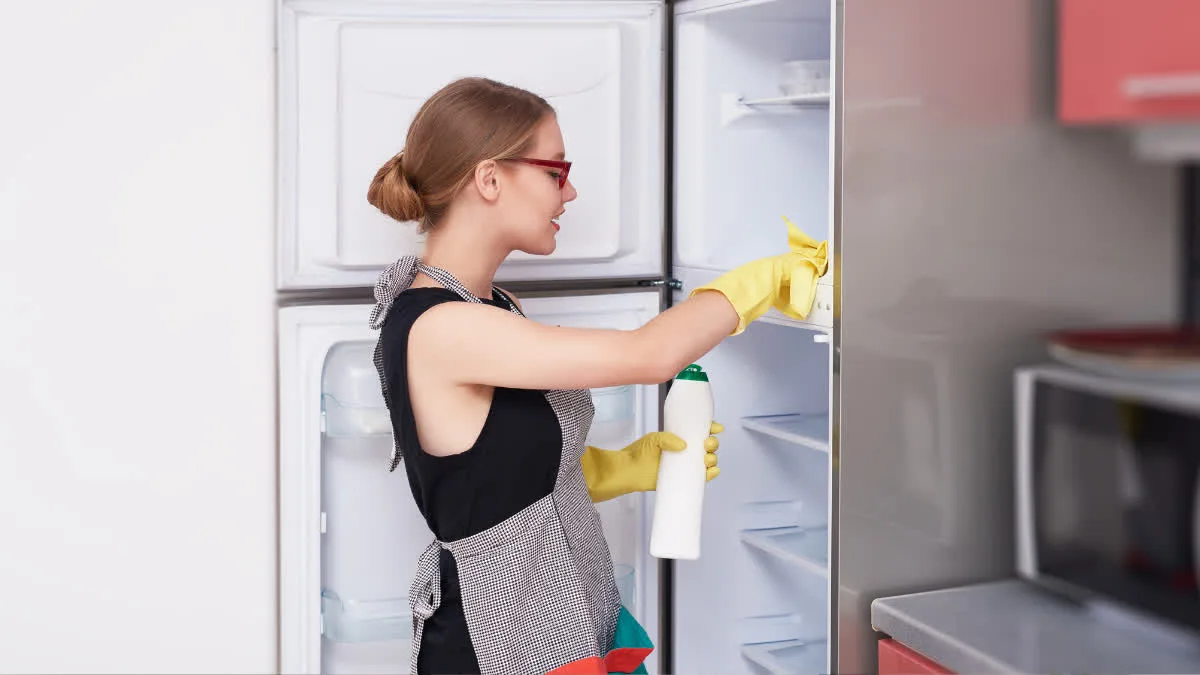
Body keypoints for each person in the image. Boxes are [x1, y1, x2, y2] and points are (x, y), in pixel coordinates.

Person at [366, 77, 825, 675]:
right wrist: (759, 282)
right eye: (556, 171)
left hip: (560, 615)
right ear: (489, 178)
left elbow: (495, 474)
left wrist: (619, 469)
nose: (571, 190)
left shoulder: (490, 307)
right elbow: (649, 354)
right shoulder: (442, 326)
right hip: (495, 641)